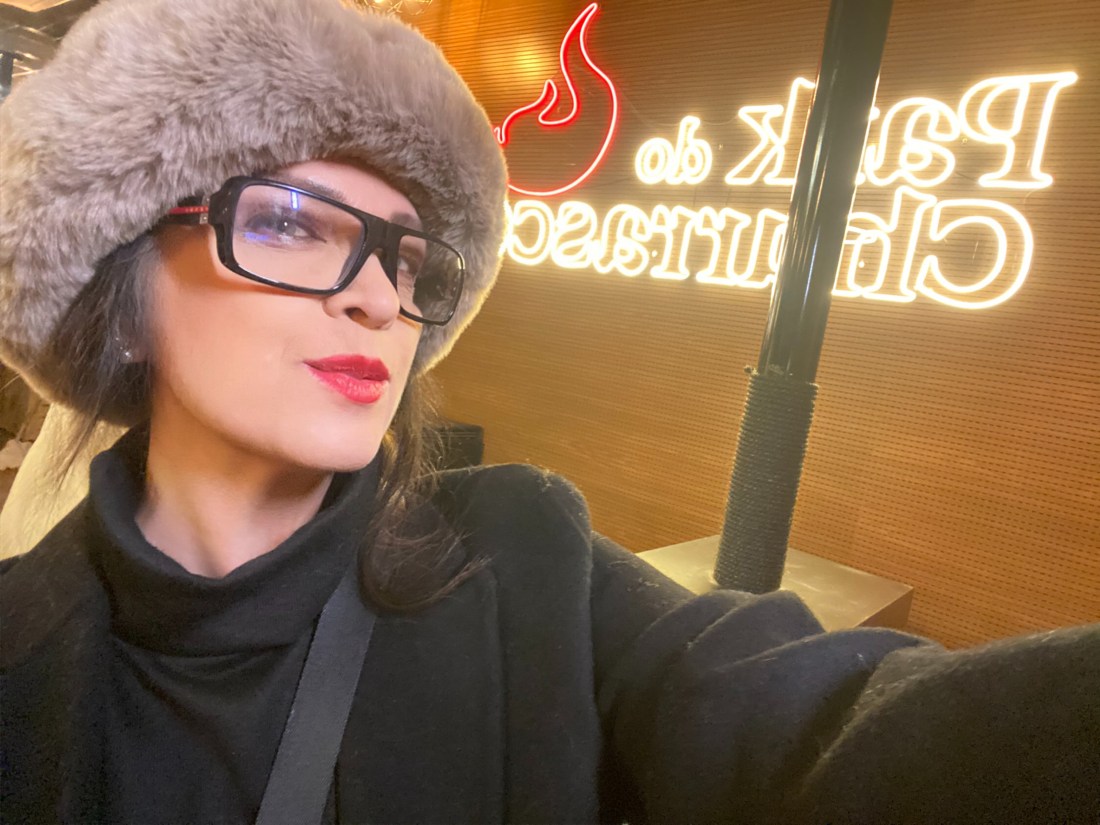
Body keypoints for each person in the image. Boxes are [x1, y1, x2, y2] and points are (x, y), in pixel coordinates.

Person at [0, 0, 1096, 822]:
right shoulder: (20, 651)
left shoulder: (522, 560)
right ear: (119, 289)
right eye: (290, 221)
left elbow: (820, 726)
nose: (378, 297)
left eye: (407, 257)